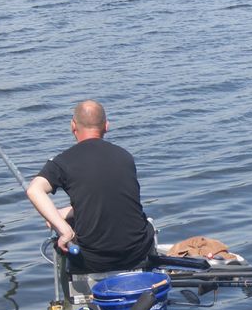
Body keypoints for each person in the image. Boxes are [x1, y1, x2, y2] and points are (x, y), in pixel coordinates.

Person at [26, 100, 155, 274]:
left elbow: (34, 190)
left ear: (73, 126)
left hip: (93, 261)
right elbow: (107, 198)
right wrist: (68, 212)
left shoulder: (64, 162)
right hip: (137, 253)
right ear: (106, 126)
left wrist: (64, 230)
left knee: (62, 233)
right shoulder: (125, 156)